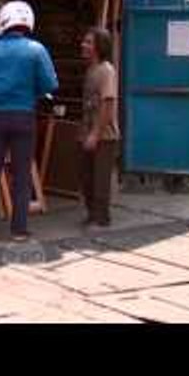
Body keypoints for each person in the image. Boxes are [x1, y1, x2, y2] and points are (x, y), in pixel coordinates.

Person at [0, 1, 58, 243]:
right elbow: (50, 85)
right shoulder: (37, 49)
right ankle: (19, 230)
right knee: (21, 174)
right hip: (24, 117)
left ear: (3, 21)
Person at [79, 27, 120, 228]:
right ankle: (92, 215)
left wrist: (95, 134)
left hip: (104, 136)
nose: (83, 45)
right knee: (87, 178)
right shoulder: (91, 69)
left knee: (100, 181)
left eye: (88, 42)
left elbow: (108, 104)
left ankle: (101, 220)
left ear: (99, 46)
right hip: (88, 134)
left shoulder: (106, 70)